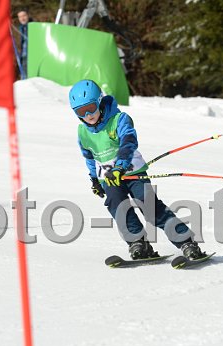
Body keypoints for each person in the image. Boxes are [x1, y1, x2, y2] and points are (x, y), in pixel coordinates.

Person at [69, 79, 207, 260]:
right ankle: (138, 243)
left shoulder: (119, 120)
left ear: (100, 101)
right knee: (118, 208)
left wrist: (120, 166)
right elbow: (90, 158)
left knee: (150, 208)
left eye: (91, 108)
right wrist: (95, 180)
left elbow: (129, 142)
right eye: (81, 111)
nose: (88, 115)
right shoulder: (83, 133)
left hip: (133, 173)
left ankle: (186, 243)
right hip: (110, 179)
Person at [16, 9, 32, 78]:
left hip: (31, 55)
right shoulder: (19, 28)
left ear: (28, 15)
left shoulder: (33, 26)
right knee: (24, 77)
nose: (22, 18)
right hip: (23, 56)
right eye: (20, 17)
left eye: (24, 16)